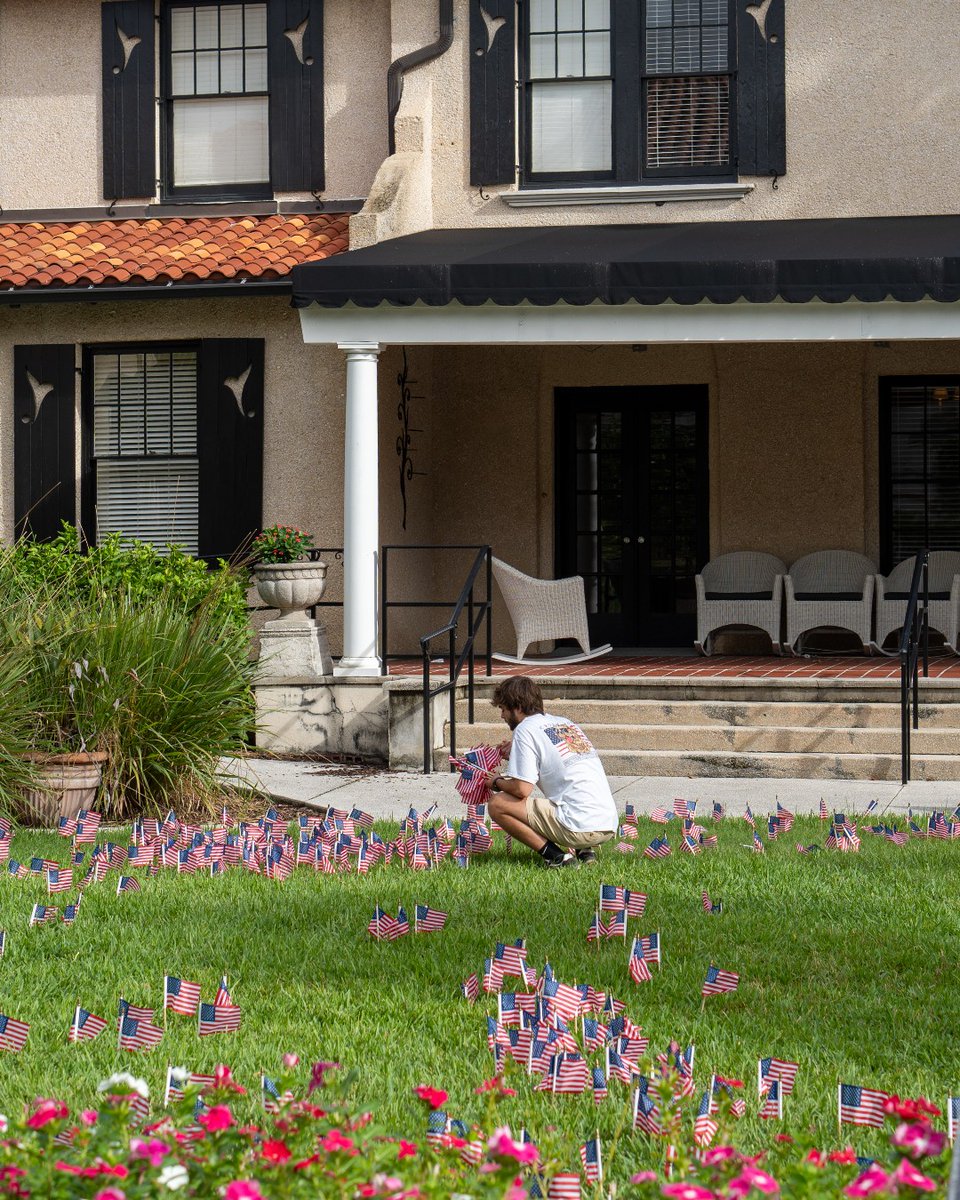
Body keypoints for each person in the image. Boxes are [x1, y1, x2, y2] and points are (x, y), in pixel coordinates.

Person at [484, 675, 617, 869]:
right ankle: (585, 851)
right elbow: (555, 759)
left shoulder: (524, 730)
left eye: (503, 709)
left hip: (578, 826)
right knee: (571, 790)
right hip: (607, 823)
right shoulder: (564, 723)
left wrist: (496, 782)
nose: (502, 716)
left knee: (498, 804)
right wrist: (515, 752)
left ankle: (557, 857)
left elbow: (522, 789)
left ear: (518, 708)